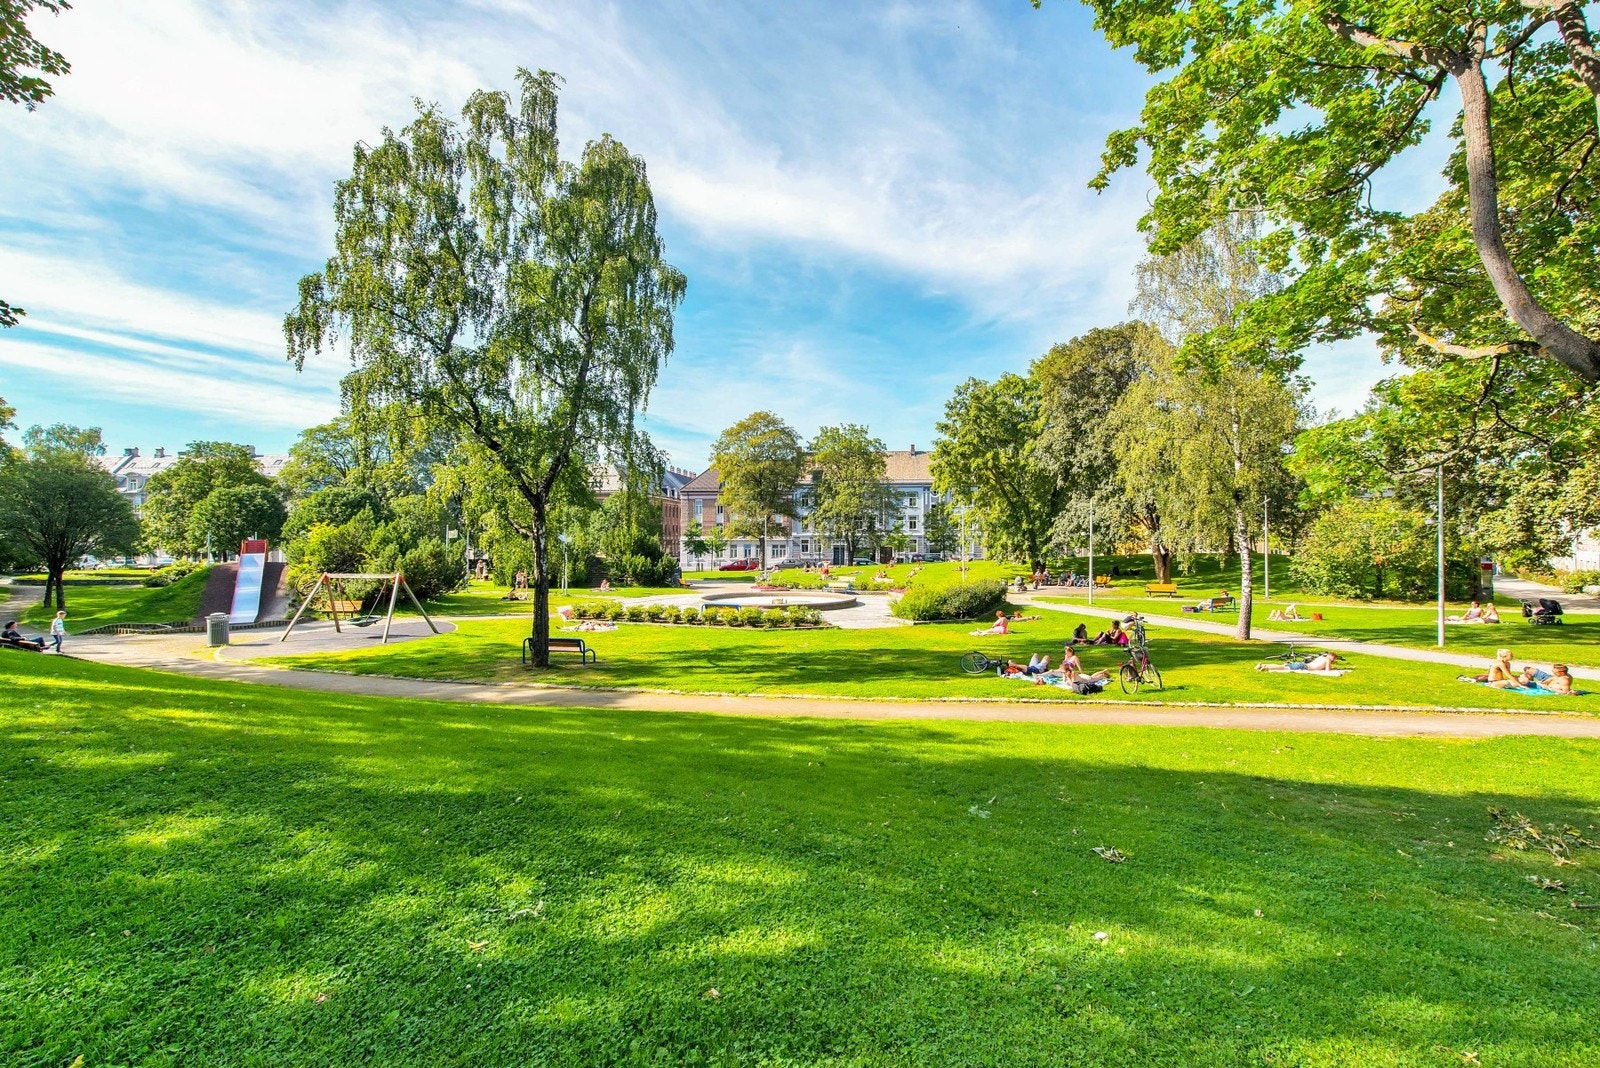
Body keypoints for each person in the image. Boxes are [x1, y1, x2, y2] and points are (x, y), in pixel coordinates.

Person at [1256, 651, 1339, 673]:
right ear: (1333, 658)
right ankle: (1265, 667)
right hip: (1304, 667)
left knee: (1282, 665)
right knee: (1283, 667)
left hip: (1302, 664)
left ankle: (1263, 665)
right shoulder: (1327, 660)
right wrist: (1333, 668)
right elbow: (1328, 671)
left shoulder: (1321, 657)